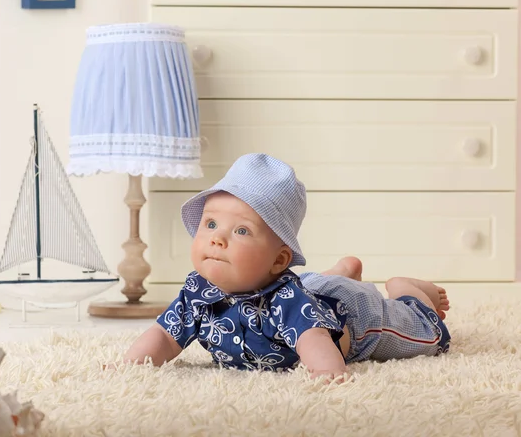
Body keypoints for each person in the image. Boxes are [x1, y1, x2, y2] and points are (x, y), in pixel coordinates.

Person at [121, 153, 451, 381]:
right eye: (210, 224)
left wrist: (326, 371)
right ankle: (339, 272)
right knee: (313, 287)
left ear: (279, 260)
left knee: (428, 335)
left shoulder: (288, 299)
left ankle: (408, 292)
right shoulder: (197, 292)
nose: (217, 239)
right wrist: (131, 365)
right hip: (313, 289)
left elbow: (312, 338)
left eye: (240, 231)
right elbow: (165, 335)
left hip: (355, 314)